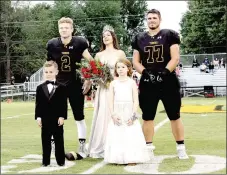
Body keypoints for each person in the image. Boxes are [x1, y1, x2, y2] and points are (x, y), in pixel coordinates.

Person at [131, 9, 188, 159]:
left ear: (160, 20)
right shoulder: (139, 38)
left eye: (154, 18)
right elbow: (135, 61)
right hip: (148, 81)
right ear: (146, 20)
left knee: (174, 115)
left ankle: (181, 147)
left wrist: (164, 72)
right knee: (147, 117)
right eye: (149, 18)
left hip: (167, 81)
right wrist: (145, 73)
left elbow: (175, 58)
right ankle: (148, 148)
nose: (151, 20)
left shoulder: (169, 35)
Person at [46, 17, 93, 160]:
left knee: (79, 116)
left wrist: (89, 79)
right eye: (61, 28)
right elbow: (49, 65)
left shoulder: (79, 42)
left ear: (72, 29)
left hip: (75, 84)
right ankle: (55, 147)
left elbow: (91, 61)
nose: (64, 30)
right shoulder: (52, 44)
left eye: (66, 28)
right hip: (58, 85)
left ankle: (82, 145)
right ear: (58, 29)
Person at [87, 25, 127, 158]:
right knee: (104, 115)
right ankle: (102, 145)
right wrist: (97, 79)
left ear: (113, 37)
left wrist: (115, 81)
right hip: (103, 89)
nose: (105, 38)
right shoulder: (98, 55)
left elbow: (124, 69)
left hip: (116, 88)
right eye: (103, 36)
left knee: (117, 113)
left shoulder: (120, 53)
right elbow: (94, 71)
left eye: (108, 35)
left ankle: (118, 145)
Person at [104, 58, 150, 165]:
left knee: (130, 135)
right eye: (118, 67)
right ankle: (117, 158)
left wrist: (133, 115)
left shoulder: (132, 83)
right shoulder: (113, 83)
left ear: (128, 69)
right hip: (117, 112)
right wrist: (113, 115)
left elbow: (135, 100)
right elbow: (110, 101)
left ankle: (131, 158)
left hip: (129, 112)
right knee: (117, 135)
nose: (120, 69)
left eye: (123, 67)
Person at [35, 61, 67, 166]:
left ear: (56, 72)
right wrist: (38, 117)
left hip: (57, 119)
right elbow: (38, 104)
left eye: (51, 71)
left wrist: (62, 116)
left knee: (59, 141)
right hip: (45, 119)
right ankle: (45, 162)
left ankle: (61, 161)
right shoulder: (39, 88)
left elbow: (63, 104)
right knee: (45, 141)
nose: (48, 74)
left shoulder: (62, 87)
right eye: (46, 72)